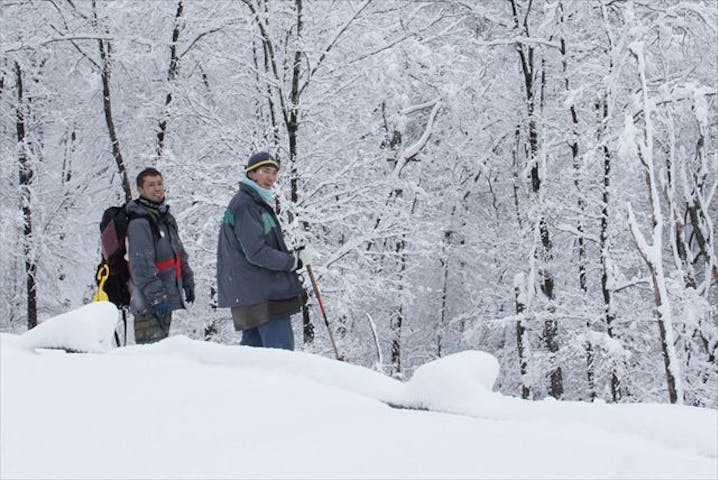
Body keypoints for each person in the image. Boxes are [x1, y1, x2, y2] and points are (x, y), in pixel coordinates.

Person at [216, 151, 310, 350]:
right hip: (263, 296)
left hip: (250, 294)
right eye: (265, 171)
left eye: (274, 173)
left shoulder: (252, 203)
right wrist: (292, 261)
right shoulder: (247, 205)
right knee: (280, 357)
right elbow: (256, 252)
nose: (271, 178)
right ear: (251, 174)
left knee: (253, 361)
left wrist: (290, 255)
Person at [127, 167, 195, 344]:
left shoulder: (165, 217)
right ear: (141, 190)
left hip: (166, 294)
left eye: (159, 183)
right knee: (150, 355)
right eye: (151, 185)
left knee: (161, 349)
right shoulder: (140, 222)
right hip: (147, 302)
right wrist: (156, 296)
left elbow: (178, 253)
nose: (157, 189)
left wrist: (187, 280)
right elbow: (141, 265)